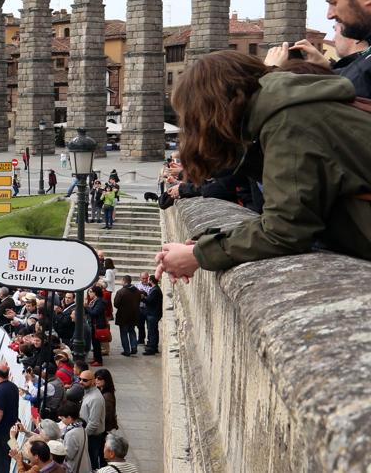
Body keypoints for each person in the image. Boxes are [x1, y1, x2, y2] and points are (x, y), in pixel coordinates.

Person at [155, 52, 371, 280]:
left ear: (212, 109)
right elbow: (292, 210)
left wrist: (197, 256)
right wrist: (202, 246)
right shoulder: (292, 107)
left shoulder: (288, 122)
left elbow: (286, 229)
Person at [78, 370, 107, 469]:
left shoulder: (95, 399)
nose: (81, 382)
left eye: (85, 380)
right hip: (89, 435)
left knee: (91, 462)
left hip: (92, 437)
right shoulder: (88, 393)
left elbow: (94, 423)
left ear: (93, 381)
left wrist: (82, 436)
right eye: (80, 379)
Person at [57, 401, 90, 473]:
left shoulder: (71, 434)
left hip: (75, 468)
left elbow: (68, 455)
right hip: (84, 466)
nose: (62, 421)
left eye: (62, 418)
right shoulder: (81, 427)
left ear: (69, 417)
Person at [112, 277, 140, 357]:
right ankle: (134, 346)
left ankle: (127, 351)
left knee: (124, 333)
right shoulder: (137, 291)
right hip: (134, 315)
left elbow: (116, 304)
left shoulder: (121, 292)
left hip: (123, 316)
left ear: (124, 281)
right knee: (132, 331)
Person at [141, 276, 163, 355]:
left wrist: (143, 297)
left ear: (151, 281)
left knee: (152, 331)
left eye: (148, 280)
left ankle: (151, 348)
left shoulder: (155, 290)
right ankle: (153, 346)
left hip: (153, 314)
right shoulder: (155, 289)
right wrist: (145, 294)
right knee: (153, 330)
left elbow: (149, 301)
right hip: (154, 313)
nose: (147, 281)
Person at [94, 369, 118, 435]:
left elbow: (107, 416)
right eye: (95, 377)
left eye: (99, 378)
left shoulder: (107, 397)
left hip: (104, 428)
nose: (96, 380)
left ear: (106, 380)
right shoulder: (100, 390)